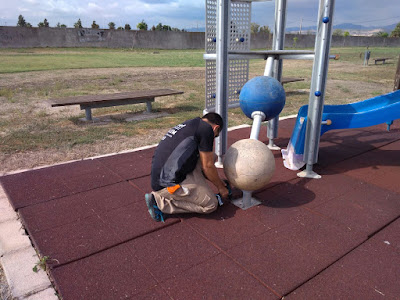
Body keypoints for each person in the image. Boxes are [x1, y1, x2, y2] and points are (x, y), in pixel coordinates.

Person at [145, 112, 230, 222]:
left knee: (210, 156)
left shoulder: (192, 123)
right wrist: (221, 188)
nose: (214, 138)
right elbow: (208, 166)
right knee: (211, 204)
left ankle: (198, 184)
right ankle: (160, 201)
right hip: (167, 184)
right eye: (216, 135)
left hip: (164, 173)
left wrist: (218, 181)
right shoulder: (207, 130)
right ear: (216, 128)